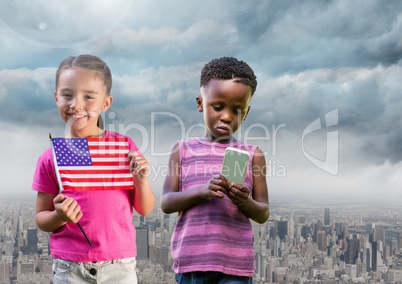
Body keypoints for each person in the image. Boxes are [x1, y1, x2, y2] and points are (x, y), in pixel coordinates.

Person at [32, 54, 155, 283]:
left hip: (120, 265)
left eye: (88, 96)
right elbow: (41, 218)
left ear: (106, 103)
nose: (76, 104)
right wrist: (59, 215)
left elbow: (144, 209)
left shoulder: (124, 148)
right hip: (70, 267)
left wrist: (141, 180)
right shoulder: (52, 157)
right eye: (67, 95)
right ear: (56, 97)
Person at [161, 57, 270, 283]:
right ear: (201, 103)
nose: (227, 116)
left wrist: (243, 201)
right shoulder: (182, 150)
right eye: (218, 107)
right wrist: (202, 192)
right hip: (191, 264)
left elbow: (263, 213)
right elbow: (166, 203)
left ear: (247, 113)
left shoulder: (253, 155)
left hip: (235, 268)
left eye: (237, 110)